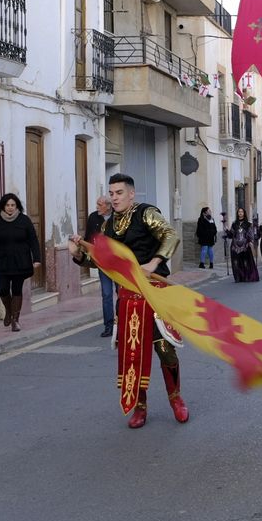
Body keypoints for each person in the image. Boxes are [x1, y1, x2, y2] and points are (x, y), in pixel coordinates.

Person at [68, 173, 187, 429]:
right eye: (111, 193)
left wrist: (154, 263)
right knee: (131, 354)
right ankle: (139, 407)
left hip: (155, 291)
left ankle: (176, 399)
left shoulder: (146, 213)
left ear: (131, 194)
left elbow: (170, 235)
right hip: (129, 298)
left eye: (119, 193)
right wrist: (78, 254)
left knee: (165, 350)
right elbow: (101, 262)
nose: (114, 197)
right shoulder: (107, 227)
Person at [0, 193, 42, 332]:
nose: (10, 208)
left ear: (17, 206)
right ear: (3, 206)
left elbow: (33, 240)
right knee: (3, 289)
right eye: (7, 205)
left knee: (16, 289)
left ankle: (15, 320)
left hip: (21, 260)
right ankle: (9, 311)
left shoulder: (24, 220)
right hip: (3, 260)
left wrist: (37, 258)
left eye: (13, 205)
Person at [85, 196, 116, 338]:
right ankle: (108, 326)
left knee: (122, 293)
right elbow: (88, 238)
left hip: (118, 263)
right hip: (103, 262)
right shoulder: (93, 218)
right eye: (97, 204)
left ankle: (121, 323)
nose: (97, 207)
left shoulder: (118, 216)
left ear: (108, 206)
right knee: (106, 294)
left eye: (100, 204)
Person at [228, 208, 260, 283]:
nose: (240, 213)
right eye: (239, 212)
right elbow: (230, 235)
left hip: (245, 246)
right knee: (236, 263)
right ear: (237, 213)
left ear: (244, 213)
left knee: (245, 262)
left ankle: (246, 277)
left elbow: (251, 235)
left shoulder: (248, 224)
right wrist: (226, 230)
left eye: (242, 211)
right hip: (235, 246)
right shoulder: (234, 224)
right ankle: (238, 278)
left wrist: (251, 241)